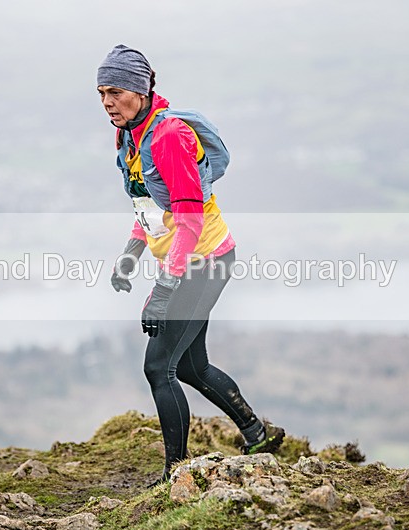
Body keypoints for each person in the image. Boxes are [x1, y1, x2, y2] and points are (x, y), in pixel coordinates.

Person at [96, 44, 284, 485]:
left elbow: (189, 217)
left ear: (141, 92)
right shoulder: (130, 136)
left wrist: (162, 291)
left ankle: (175, 475)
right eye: (101, 91)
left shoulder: (169, 138)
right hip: (191, 261)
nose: (107, 101)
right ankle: (257, 434)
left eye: (117, 90)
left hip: (205, 260)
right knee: (190, 367)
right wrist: (131, 254)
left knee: (158, 366)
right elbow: (148, 205)